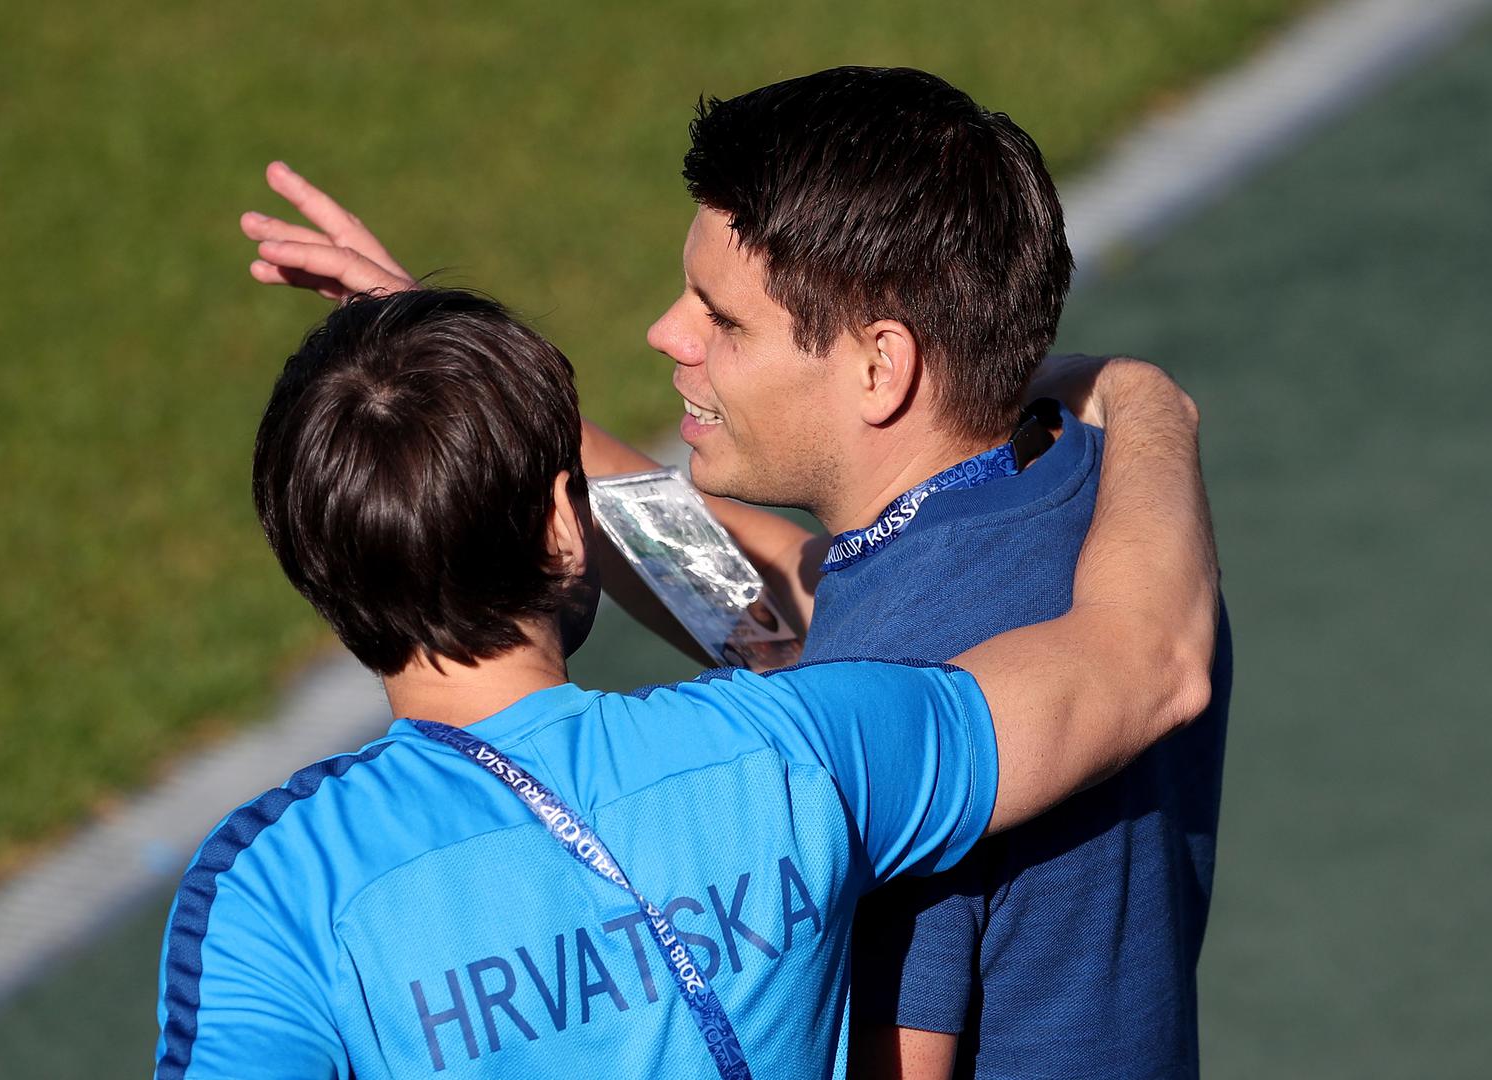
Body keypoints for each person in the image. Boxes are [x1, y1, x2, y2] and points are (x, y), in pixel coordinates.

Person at [240, 66, 1232, 1079]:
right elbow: (761, 607)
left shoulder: (897, 680)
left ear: (880, 366)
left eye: (722, 320)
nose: (667, 334)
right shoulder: (1097, 511)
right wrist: (465, 405)